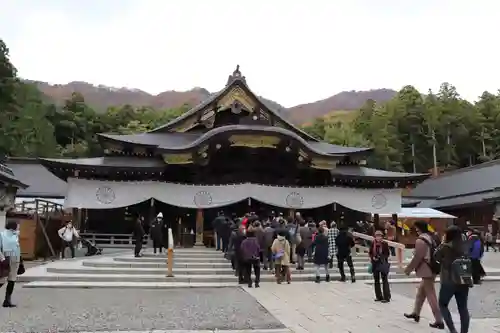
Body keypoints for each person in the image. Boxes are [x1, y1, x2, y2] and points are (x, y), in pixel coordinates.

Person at [403, 220, 444, 329]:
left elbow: (418, 258)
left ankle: (439, 320)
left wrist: (408, 269)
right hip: (433, 268)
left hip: (427, 270)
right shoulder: (432, 237)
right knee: (421, 292)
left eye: (416, 228)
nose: (415, 230)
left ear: (418, 228)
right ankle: (416, 313)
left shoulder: (421, 240)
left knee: (431, 295)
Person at [434, 225, 472, 333]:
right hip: (463, 280)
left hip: (448, 280)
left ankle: (452, 330)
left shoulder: (445, 247)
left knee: (442, 304)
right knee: (463, 308)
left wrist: (442, 243)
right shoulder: (465, 246)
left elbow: (436, 256)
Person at [0, 220, 21, 307]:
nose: (19, 227)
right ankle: (7, 300)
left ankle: (7, 300)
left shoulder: (15, 235)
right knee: (2, 279)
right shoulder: (2, 234)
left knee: (12, 280)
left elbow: (16, 246)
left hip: (15, 259)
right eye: (18, 225)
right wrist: (2, 258)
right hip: (6, 258)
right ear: (13, 226)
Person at [369, 230, 391, 303]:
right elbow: (370, 252)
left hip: (382, 263)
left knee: (384, 280)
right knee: (376, 280)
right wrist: (373, 257)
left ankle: (386, 297)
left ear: (382, 237)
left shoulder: (385, 244)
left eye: (380, 236)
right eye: (377, 236)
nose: (378, 238)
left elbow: (387, 254)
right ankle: (378, 296)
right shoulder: (373, 243)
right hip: (375, 263)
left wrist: (380, 257)